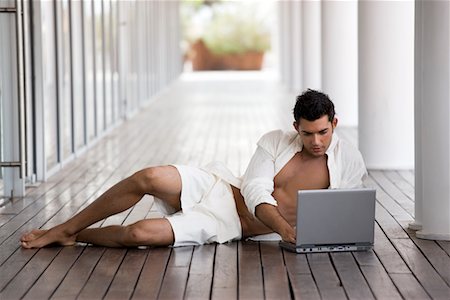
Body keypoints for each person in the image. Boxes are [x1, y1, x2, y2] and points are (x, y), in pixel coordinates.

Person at [20, 89, 367, 249]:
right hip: (222, 190)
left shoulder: (348, 161)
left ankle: (75, 236)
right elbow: (255, 189)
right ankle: (65, 226)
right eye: (308, 133)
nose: (317, 141)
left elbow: (350, 213)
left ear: (334, 123)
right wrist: (286, 229)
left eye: (323, 131)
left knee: (138, 234)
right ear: (296, 127)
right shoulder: (275, 141)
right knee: (149, 176)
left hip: (228, 225)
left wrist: (305, 236)